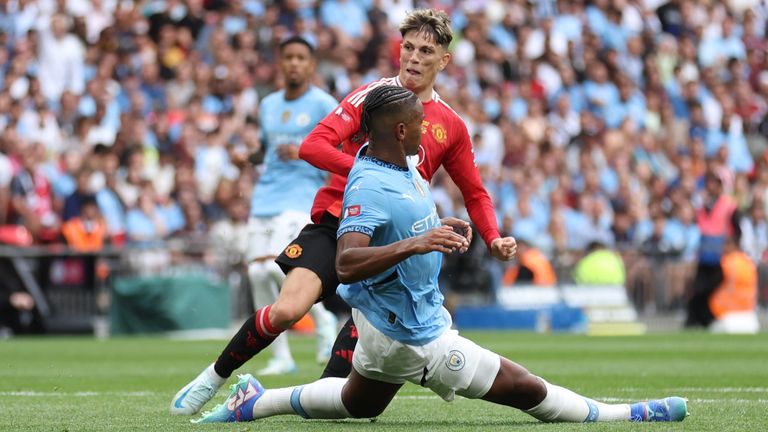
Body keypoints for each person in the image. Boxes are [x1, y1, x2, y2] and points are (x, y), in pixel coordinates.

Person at [193, 86, 688, 425]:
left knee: (356, 403)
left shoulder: (401, 163)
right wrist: (419, 242)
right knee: (526, 389)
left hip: (389, 324)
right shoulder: (368, 183)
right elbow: (345, 263)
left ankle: (254, 403)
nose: (427, 123)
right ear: (401, 131)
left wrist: (437, 226)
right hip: (413, 336)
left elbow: (415, 215)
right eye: (417, 119)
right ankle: (627, 414)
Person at [170, 9, 516, 416]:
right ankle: (214, 376)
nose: (414, 58)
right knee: (287, 309)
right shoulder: (371, 98)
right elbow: (313, 145)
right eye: (408, 47)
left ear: (444, 61)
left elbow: (474, 191)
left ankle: (280, 400)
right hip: (338, 221)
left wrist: (493, 236)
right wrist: (373, 172)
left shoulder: (451, 125)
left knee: (350, 402)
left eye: (426, 50)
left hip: (393, 244)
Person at [242, 36, 339, 376]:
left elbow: (340, 153)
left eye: (301, 58)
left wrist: (304, 152)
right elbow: (265, 150)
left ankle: (323, 318)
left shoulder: (323, 104)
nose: (294, 63)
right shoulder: (268, 104)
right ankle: (281, 355)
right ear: (280, 63)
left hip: (302, 198)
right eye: (289, 58)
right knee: (256, 273)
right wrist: (246, 156)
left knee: (273, 267)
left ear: (311, 65)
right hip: (265, 197)